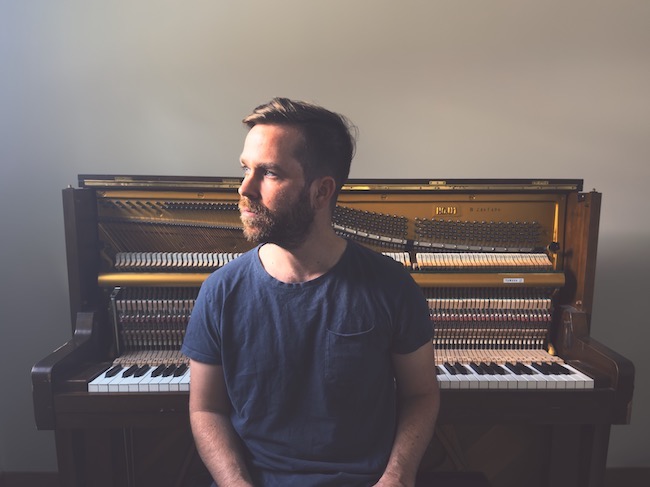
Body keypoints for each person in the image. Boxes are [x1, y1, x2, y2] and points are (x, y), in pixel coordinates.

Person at [181, 97, 440, 487]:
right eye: (246, 169)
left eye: (268, 173)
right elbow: (205, 408)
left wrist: (397, 477)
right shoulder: (221, 291)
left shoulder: (391, 287)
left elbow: (420, 394)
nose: (244, 189)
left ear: (321, 192)